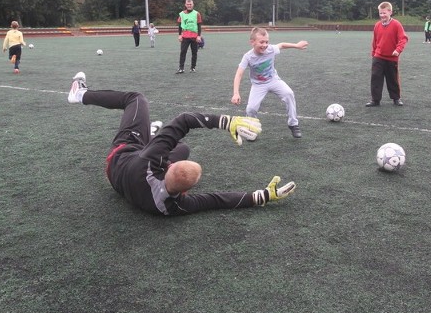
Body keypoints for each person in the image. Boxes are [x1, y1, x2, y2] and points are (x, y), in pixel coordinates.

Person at [66, 71, 295, 216]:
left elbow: (184, 120)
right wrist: (263, 196)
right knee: (183, 148)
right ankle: (153, 133)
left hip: (123, 154)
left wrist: (226, 122)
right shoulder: (172, 207)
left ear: (168, 165)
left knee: (136, 99)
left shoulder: (151, 160)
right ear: (185, 191)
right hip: (118, 182)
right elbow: (216, 201)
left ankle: (81, 94)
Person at [231, 27, 308, 138]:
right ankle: (251, 128)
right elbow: (238, 74)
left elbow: (281, 45)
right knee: (251, 109)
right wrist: (236, 93)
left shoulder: (271, 49)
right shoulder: (248, 57)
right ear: (252, 42)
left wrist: (297, 45)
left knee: (289, 94)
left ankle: (293, 124)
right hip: (258, 85)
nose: (265, 45)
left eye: (267, 42)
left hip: (273, 80)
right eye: (261, 42)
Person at [366, 1, 409, 107]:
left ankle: (396, 98)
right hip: (378, 56)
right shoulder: (377, 26)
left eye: (384, 13)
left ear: (390, 12)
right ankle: (375, 100)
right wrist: (373, 53)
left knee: (392, 78)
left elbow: (403, 39)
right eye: (380, 13)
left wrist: (398, 50)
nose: (382, 15)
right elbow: (375, 41)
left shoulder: (396, 24)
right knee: (375, 77)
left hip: (392, 58)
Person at [176, 0, 202, 74]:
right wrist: (180, 35)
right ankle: (181, 68)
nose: (189, 6)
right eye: (188, 4)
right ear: (185, 5)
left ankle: (193, 67)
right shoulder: (182, 14)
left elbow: (199, 25)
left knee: (194, 52)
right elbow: (180, 26)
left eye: (190, 4)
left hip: (194, 36)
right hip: (185, 36)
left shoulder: (197, 14)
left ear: (193, 5)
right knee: (183, 52)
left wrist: (199, 36)